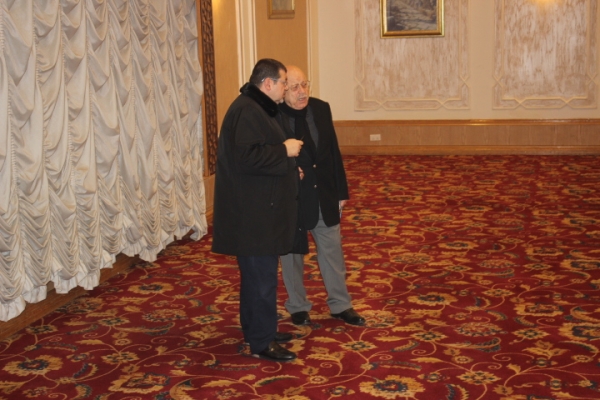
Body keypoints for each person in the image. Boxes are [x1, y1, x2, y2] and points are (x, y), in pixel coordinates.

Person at [212, 59, 304, 362]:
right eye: (284, 82)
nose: (286, 88)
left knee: (259, 278)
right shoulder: (248, 110)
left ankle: (260, 329)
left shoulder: (258, 107)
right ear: (267, 84)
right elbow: (247, 158)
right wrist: (284, 150)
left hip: (260, 211)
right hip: (252, 216)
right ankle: (262, 342)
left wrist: (289, 167)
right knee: (260, 280)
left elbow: (259, 155)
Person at [279, 66, 365, 327]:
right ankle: (298, 306)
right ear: (283, 89)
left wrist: (341, 191)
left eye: (305, 84)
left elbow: (332, 151)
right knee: (292, 255)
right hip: (292, 195)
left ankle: (341, 305)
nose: (302, 92)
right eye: (295, 87)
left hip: (323, 192)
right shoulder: (273, 115)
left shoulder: (320, 108)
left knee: (332, 251)